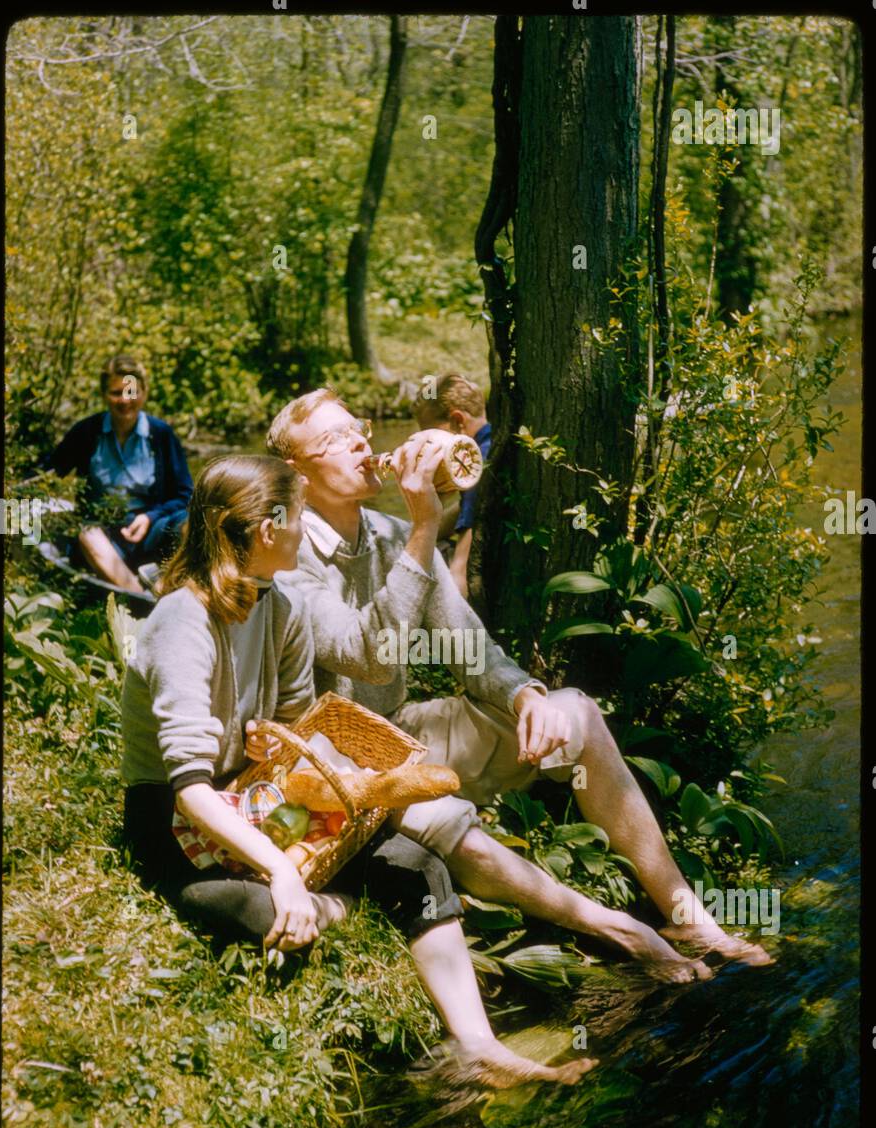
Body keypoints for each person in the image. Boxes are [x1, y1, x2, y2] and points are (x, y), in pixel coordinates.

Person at [120, 453, 591, 1087]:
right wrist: (283, 871)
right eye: (297, 513)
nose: (304, 526)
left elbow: (293, 727)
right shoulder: (183, 618)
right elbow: (189, 789)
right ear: (268, 529)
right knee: (275, 915)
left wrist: (270, 742)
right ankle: (325, 903)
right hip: (180, 816)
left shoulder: (278, 602)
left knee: (419, 865)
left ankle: (480, 1047)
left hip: (255, 794)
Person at [266, 389, 773, 974]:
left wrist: (524, 695)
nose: (359, 441)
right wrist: (426, 526)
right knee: (453, 826)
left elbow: (468, 646)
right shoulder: (285, 552)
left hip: (400, 734)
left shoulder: (388, 534)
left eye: (358, 427)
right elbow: (369, 657)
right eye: (333, 438)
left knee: (574, 709)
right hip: (334, 770)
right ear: (293, 472)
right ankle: (616, 928)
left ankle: (689, 917)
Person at [43, 353, 193, 595]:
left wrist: (150, 517)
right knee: (87, 534)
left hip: (152, 529)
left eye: (132, 391)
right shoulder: (87, 432)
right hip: (104, 533)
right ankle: (141, 599)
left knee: (191, 524)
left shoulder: (161, 434)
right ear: (104, 395)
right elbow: (48, 473)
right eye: (116, 393)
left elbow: (185, 495)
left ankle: (172, 585)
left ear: (143, 393)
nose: (125, 400)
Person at [413, 372, 490, 598]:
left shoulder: (477, 466)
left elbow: (460, 570)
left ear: (458, 422)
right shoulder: (489, 441)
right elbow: (461, 513)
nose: (427, 445)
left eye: (431, 435)